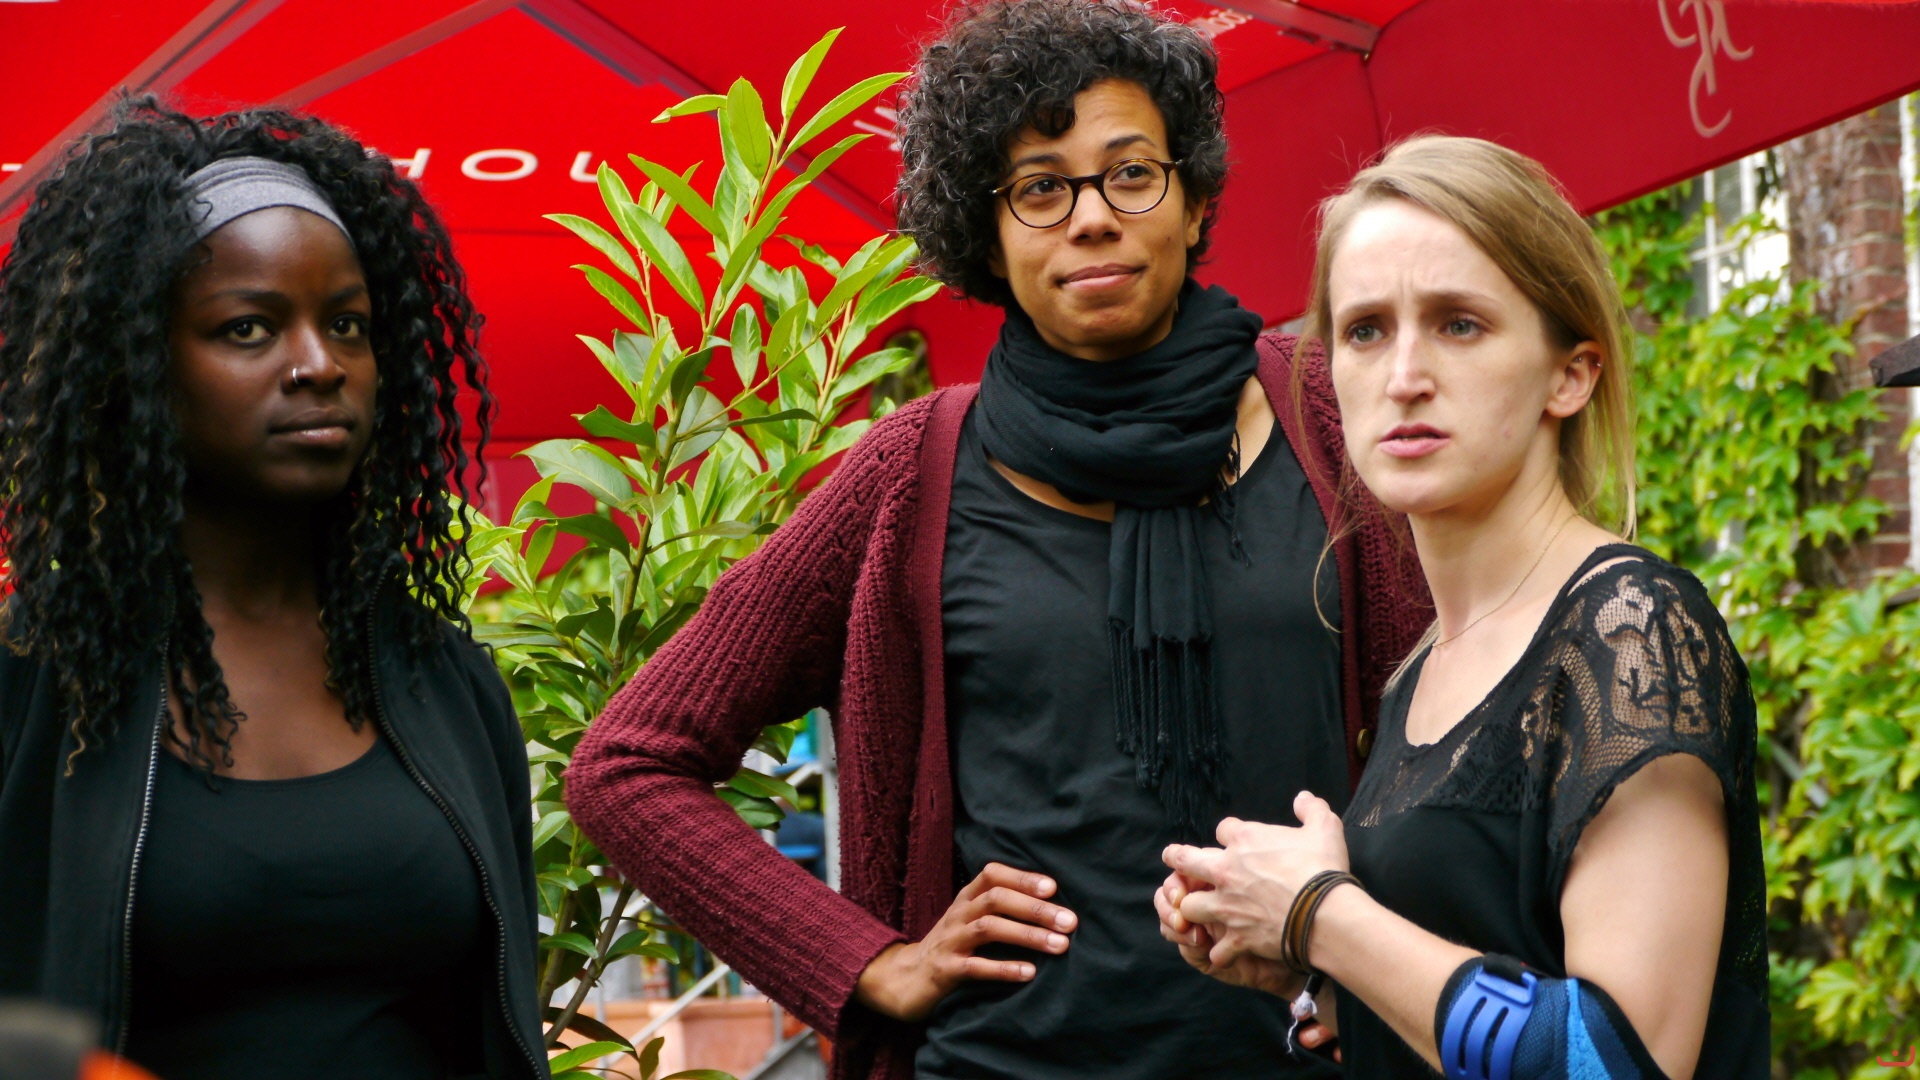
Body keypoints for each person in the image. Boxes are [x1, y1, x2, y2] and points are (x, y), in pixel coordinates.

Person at [565, 1, 1428, 1077]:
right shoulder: (910, 473)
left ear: (1196, 196)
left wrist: (1386, 958)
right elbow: (627, 762)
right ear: (988, 233)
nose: (1092, 218)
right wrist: (863, 961)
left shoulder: (1332, 418)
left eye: (1131, 173)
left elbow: (1475, 709)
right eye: (1039, 189)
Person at [1157, 135, 1769, 1080]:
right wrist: (1308, 969)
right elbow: (1484, 962)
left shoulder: (1630, 629)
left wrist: (1321, 911)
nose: (1404, 374)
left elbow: (1619, 1062)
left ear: (1571, 374)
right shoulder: (1424, 665)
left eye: (1459, 324)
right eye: (1366, 330)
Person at [0, 99, 548, 1080]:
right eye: (248, 327)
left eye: (347, 325)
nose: (318, 366)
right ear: (138, 365)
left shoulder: (446, 682)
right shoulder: (37, 679)